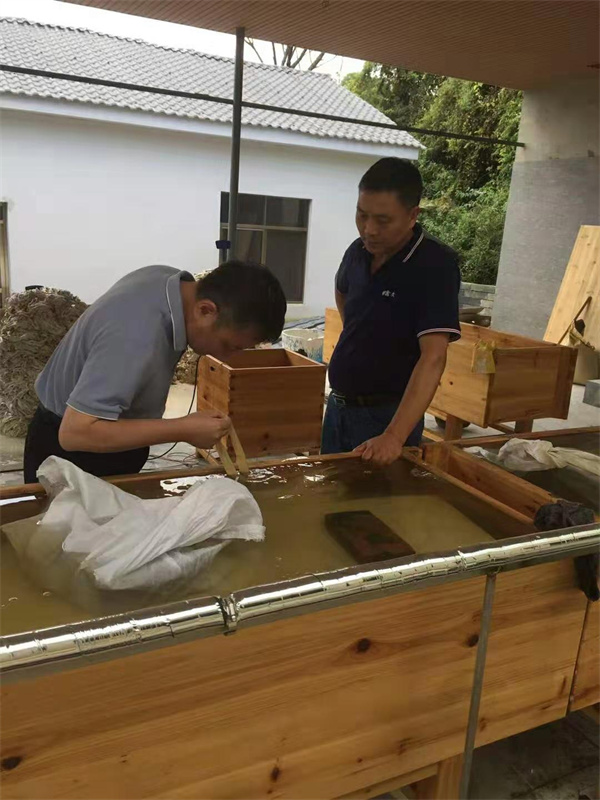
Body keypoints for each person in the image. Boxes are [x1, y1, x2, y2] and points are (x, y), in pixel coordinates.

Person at [23, 261, 286, 483]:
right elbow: (75, 433)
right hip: (73, 459)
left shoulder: (170, 282)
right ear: (205, 310)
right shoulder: (135, 335)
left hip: (110, 438)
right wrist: (182, 429)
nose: (226, 357)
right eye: (229, 345)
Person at [322, 157, 461, 466]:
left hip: (385, 417)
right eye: (362, 215)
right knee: (330, 493)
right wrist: (360, 339)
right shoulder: (357, 251)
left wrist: (394, 436)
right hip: (338, 407)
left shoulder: (434, 265)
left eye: (383, 220)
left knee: (375, 496)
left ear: (412, 216)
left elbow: (434, 357)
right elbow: (342, 290)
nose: (369, 229)